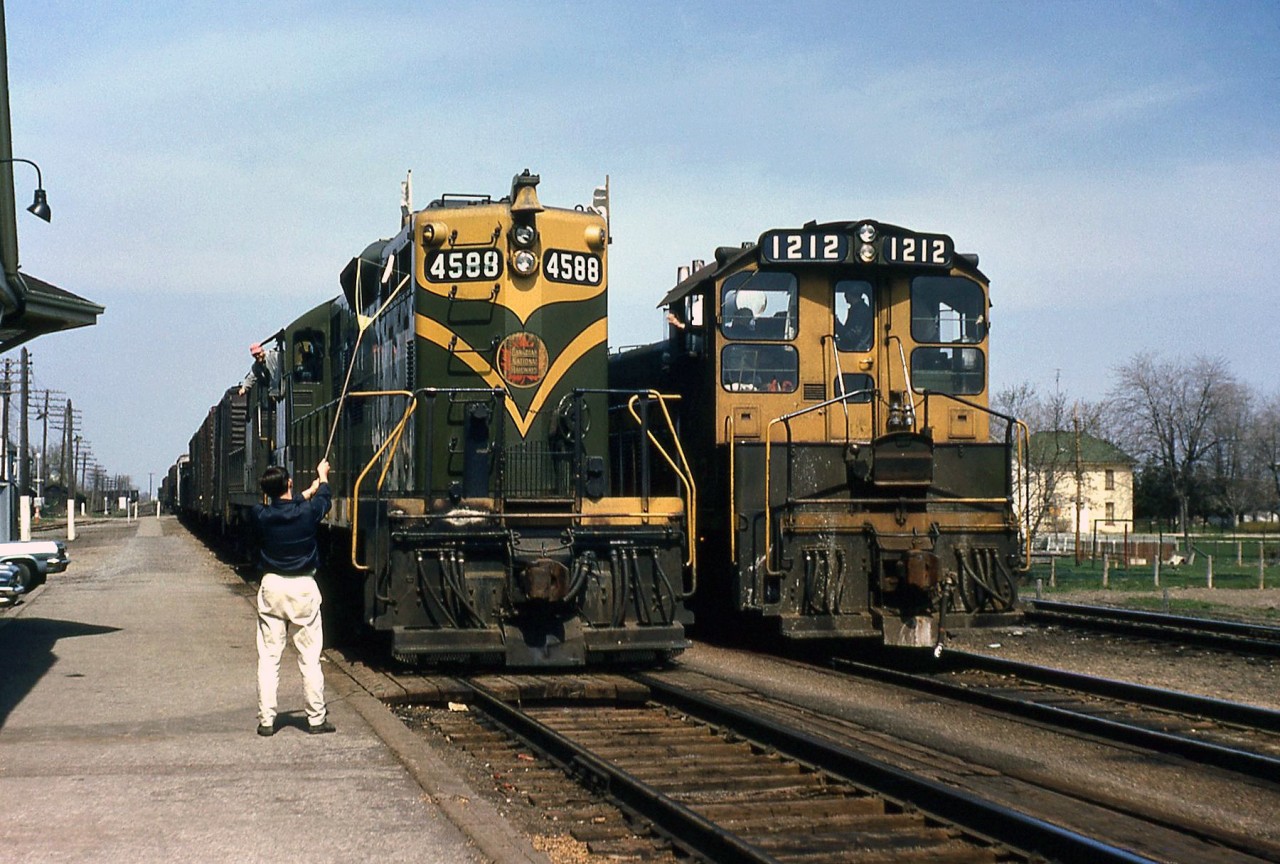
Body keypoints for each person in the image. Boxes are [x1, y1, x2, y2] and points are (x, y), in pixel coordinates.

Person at [251, 459, 334, 736]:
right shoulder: (308, 514)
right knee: (309, 658)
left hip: (272, 587)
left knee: (269, 657)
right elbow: (325, 499)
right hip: (303, 588)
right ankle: (316, 718)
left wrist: (305, 493)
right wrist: (321, 477)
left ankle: (266, 721)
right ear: (289, 483)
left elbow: (285, 508)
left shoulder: (260, 515)